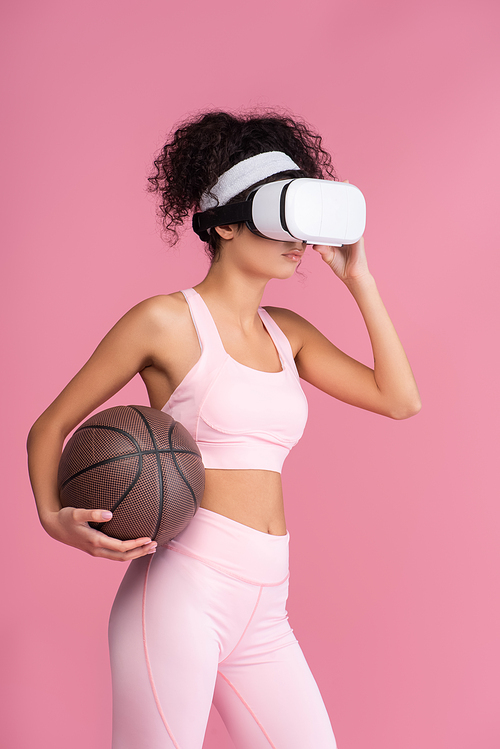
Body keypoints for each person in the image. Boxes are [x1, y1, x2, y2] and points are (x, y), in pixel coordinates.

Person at [27, 109, 421, 749]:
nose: (298, 241)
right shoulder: (163, 321)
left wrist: (362, 283)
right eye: (280, 221)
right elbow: (49, 427)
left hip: (266, 604)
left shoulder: (287, 332)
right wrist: (54, 519)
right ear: (227, 223)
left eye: (303, 225)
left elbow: (399, 400)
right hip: (182, 590)